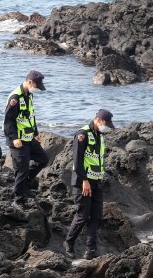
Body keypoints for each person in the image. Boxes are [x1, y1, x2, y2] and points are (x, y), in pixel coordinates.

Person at [64, 109, 115, 260]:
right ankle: (68, 243)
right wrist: (84, 181)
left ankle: (90, 250)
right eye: (106, 124)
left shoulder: (100, 135)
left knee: (96, 217)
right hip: (82, 182)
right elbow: (77, 161)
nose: (107, 127)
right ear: (98, 120)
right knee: (83, 215)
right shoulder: (82, 134)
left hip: (96, 182)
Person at [3, 70, 49, 206]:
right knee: (21, 169)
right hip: (18, 140)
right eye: (37, 86)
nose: (37, 89)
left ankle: (24, 185)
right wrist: (14, 138)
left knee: (43, 159)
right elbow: (8, 121)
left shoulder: (28, 95)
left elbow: (30, 116)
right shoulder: (15, 98)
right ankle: (18, 199)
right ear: (29, 82)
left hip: (29, 138)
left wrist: (35, 132)